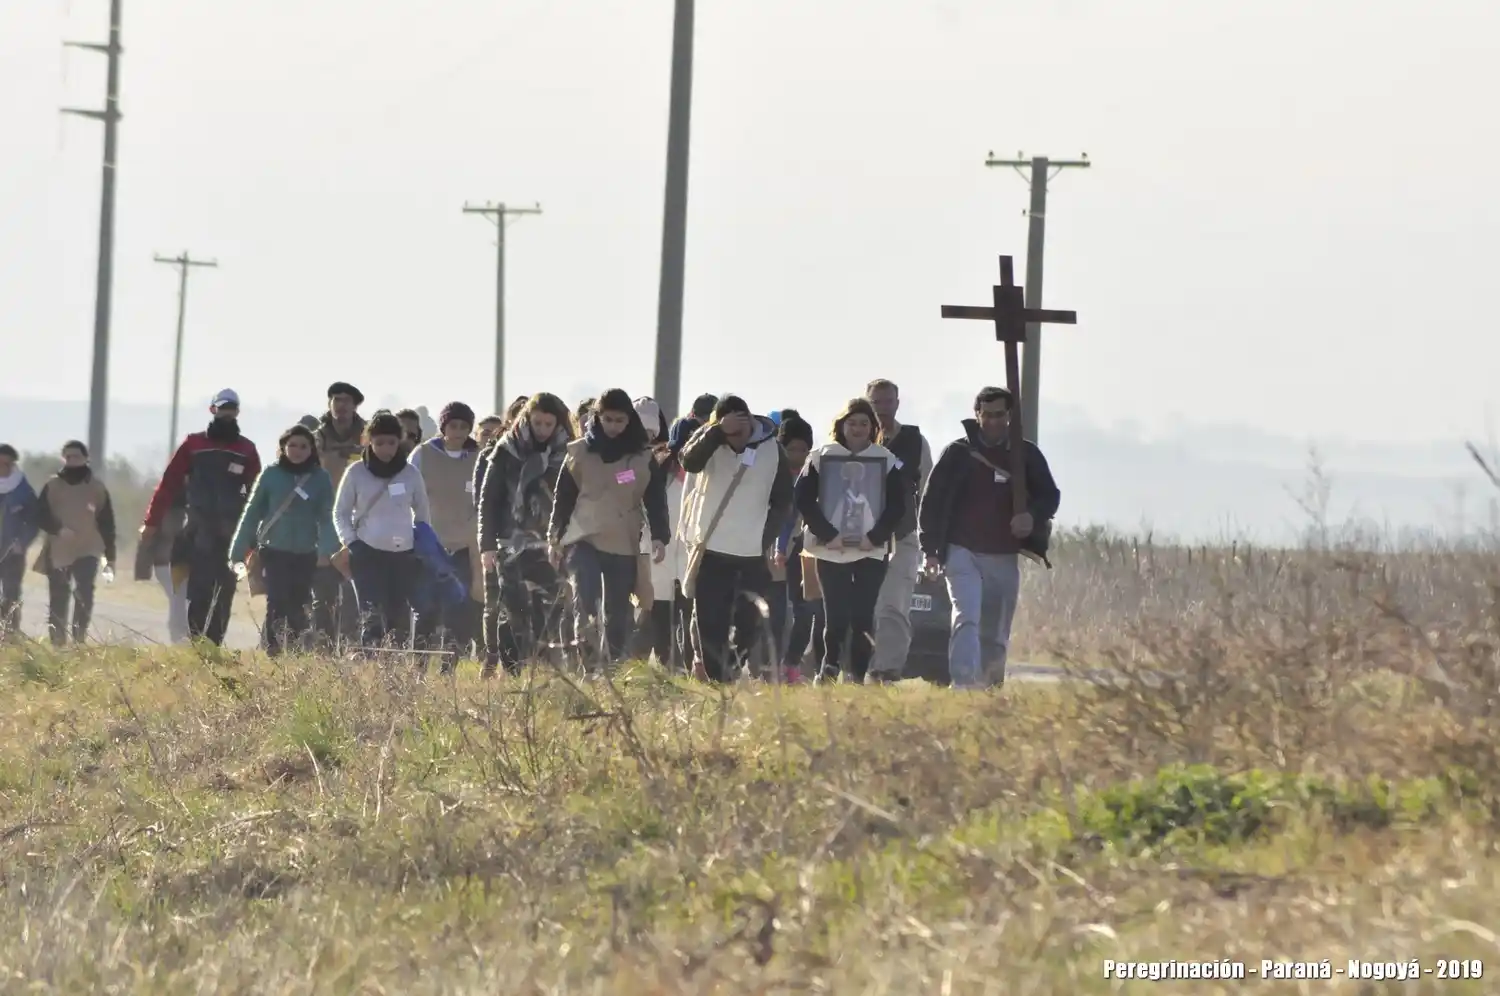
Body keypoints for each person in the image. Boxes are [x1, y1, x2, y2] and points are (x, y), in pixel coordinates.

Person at [917, 386, 1060, 689]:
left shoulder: (1026, 454)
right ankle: (963, 685)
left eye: (1000, 415)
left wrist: (1031, 516)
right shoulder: (957, 453)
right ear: (977, 414)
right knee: (966, 617)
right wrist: (930, 550)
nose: (993, 421)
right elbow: (931, 503)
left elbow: (1049, 495)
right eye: (988, 415)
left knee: (995, 630)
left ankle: (990, 688)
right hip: (961, 550)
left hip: (1003, 553)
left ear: (1009, 416)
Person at [549, 389, 670, 668]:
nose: (613, 426)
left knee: (617, 611)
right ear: (597, 417)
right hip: (582, 537)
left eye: (620, 420)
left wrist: (660, 537)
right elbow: (563, 498)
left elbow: (655, 499)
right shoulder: (578, 452)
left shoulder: (642, 457)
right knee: (586, 601)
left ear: (629, 420)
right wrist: (554, 538)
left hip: (623, 541)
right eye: (608, 419)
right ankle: (589, 665)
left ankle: (612, 666)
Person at [677, 396, 794, 683]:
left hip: (751, 554)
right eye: (729, 432)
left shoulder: (772, 450)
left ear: (750, 422)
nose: (735, 439)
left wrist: (764, 537)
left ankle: (731, 667)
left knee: (748, 622)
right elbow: (689, 461)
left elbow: (783, 500)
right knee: (709, 622)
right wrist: (715, 432)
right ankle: (719, 678)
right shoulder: (709, 442)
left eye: (740, 431)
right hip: (711, 549)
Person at [796, 398, 906, 685]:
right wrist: (828, 534)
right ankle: (830, 667)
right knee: (835, 615)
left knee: (863, 615)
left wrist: (875, 537)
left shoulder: (885, 459)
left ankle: (857, 674)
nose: (857, 428)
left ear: (873, 427)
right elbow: (803, 498)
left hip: (871, 550)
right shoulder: (822, 456)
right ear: (841, 425)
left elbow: (898, 505)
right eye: (852, 423)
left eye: (864, 423)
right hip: (831, 549)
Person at [141, 389, 261, 646]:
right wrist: (151, 522)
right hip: (197, 531)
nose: (226, 413)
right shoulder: (193, 444)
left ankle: (213, 647)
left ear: (237, 412)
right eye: (222, 407)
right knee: (198, 592)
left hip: (232, 534)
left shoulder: (247, 450)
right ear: (212, 410)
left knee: (224, 592)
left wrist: (253, 536)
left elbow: (257, 494)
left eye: (231, 408)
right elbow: (168, 485)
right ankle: (197, 647)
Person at [476, 392, 573, 676]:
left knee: (551, 604)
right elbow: (488, 500)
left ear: (558, 424)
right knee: (513, 608)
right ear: (527, 420)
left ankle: (542, 665)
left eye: (548, 424)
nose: (542, 429)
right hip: (510, 540)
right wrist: (486, 544)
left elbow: (573, 498)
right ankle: (513, 670)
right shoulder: (506, 451)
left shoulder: (568, 454)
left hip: (549, 540)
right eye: (537, 423)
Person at [228, 424, 337, 656]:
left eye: (303, 446)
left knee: (299, 603)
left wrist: (327, 551)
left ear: (312, 450)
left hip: (306, 552)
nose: (297, 451)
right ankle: (273, 651)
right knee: (277, 600)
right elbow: (252, 513)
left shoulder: (320, 478)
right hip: (274, 550)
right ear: (283, 447)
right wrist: (238, 549)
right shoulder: (271, 475)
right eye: (292, 445)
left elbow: (327, 517)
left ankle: (294, 651)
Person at [334, 411, 432, 654]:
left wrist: (421, 546)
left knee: (397, 616)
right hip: (366, 553)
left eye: (391, 442)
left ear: (400, 442)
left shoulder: (410, 474)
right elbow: (340, 512)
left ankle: (394, 666)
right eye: (379, 443)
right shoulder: (356, 472)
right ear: (369, 442)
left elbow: (422, 514)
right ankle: (371, 663)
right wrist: (351, 542)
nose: (385, 448)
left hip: (403, 555)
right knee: (371, 615)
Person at [864, 379, 934, 682]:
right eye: (876, 402)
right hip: (858, 538)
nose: (882, 408)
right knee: (862, 608)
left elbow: (929, 491)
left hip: (901, 537)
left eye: (888, 401)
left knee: (894, 606)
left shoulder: (914, 441)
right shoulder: (853, 438)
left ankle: (886, 670)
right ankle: (855, 668)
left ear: (897, 403)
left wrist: (930, 542)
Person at [410, 401, 482, 670]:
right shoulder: (423, 454)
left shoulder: (479, 457)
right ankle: (419, 667)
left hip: (464, 545)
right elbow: (410, 493)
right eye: (453, 425)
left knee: (458, 611)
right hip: (430, 544)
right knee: (426, 609)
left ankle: (448, 668)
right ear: (443, 427)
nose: (458, 432)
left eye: (464, 426)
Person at [33, 440, 117, 645]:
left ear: (86, 458)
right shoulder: (53, 486)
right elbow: (39, 515)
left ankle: (79, 639)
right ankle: (58, 642)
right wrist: (58, 529)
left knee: (85, 592)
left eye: (76, 456)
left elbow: (107, 523)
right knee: (59, 595)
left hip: (88, 548)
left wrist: (110, 556)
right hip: (59, 549)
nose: (72, 461)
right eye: (68, 457)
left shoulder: (96, 488)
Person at [312, 382, 367, 651]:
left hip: (359, 522)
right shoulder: (316, 439)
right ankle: (323, 648)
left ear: (355, 405)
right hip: (324, 523)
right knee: (323, 592)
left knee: (354, 591)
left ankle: (352, 647)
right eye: (336, 400)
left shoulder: (367, 437)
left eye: (346, 400)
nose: (341, 405)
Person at [768, 410, 822, 683]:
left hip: (805, 551)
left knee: (805, 611)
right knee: (776, 613)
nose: (798, 455)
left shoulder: (814, 475)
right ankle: (770, 665)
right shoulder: (771, 475)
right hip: (775, 553)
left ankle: (791, 664)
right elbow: (783, 517)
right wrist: (778, 548)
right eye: (792, 449)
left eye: (803, 449)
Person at [633, 396, 684, 669]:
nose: (647, 437)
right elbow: (620, 482)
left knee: (660, 617)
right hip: (638, 547)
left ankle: (663, 669)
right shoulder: (630, 461)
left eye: (651, 432)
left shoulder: (667, 464)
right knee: (643, 614)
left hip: (662, 550)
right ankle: (632, 668)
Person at [134, 488, 189, 644]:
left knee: (179, 599)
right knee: (178, 598)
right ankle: (179, 637)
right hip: (166, 562)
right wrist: (143, 568)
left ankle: (180, 637)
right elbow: (148, 535)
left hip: (176, 563)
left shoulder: (163, 505)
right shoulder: (164, 506)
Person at [0, 444, 39, 641]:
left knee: (11, 594)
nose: (2, 468)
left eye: (6, 464)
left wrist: (22, 542)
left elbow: (34, 521)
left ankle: (10, 635)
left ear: (13, 464)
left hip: (12, 552)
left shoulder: (23, 490)